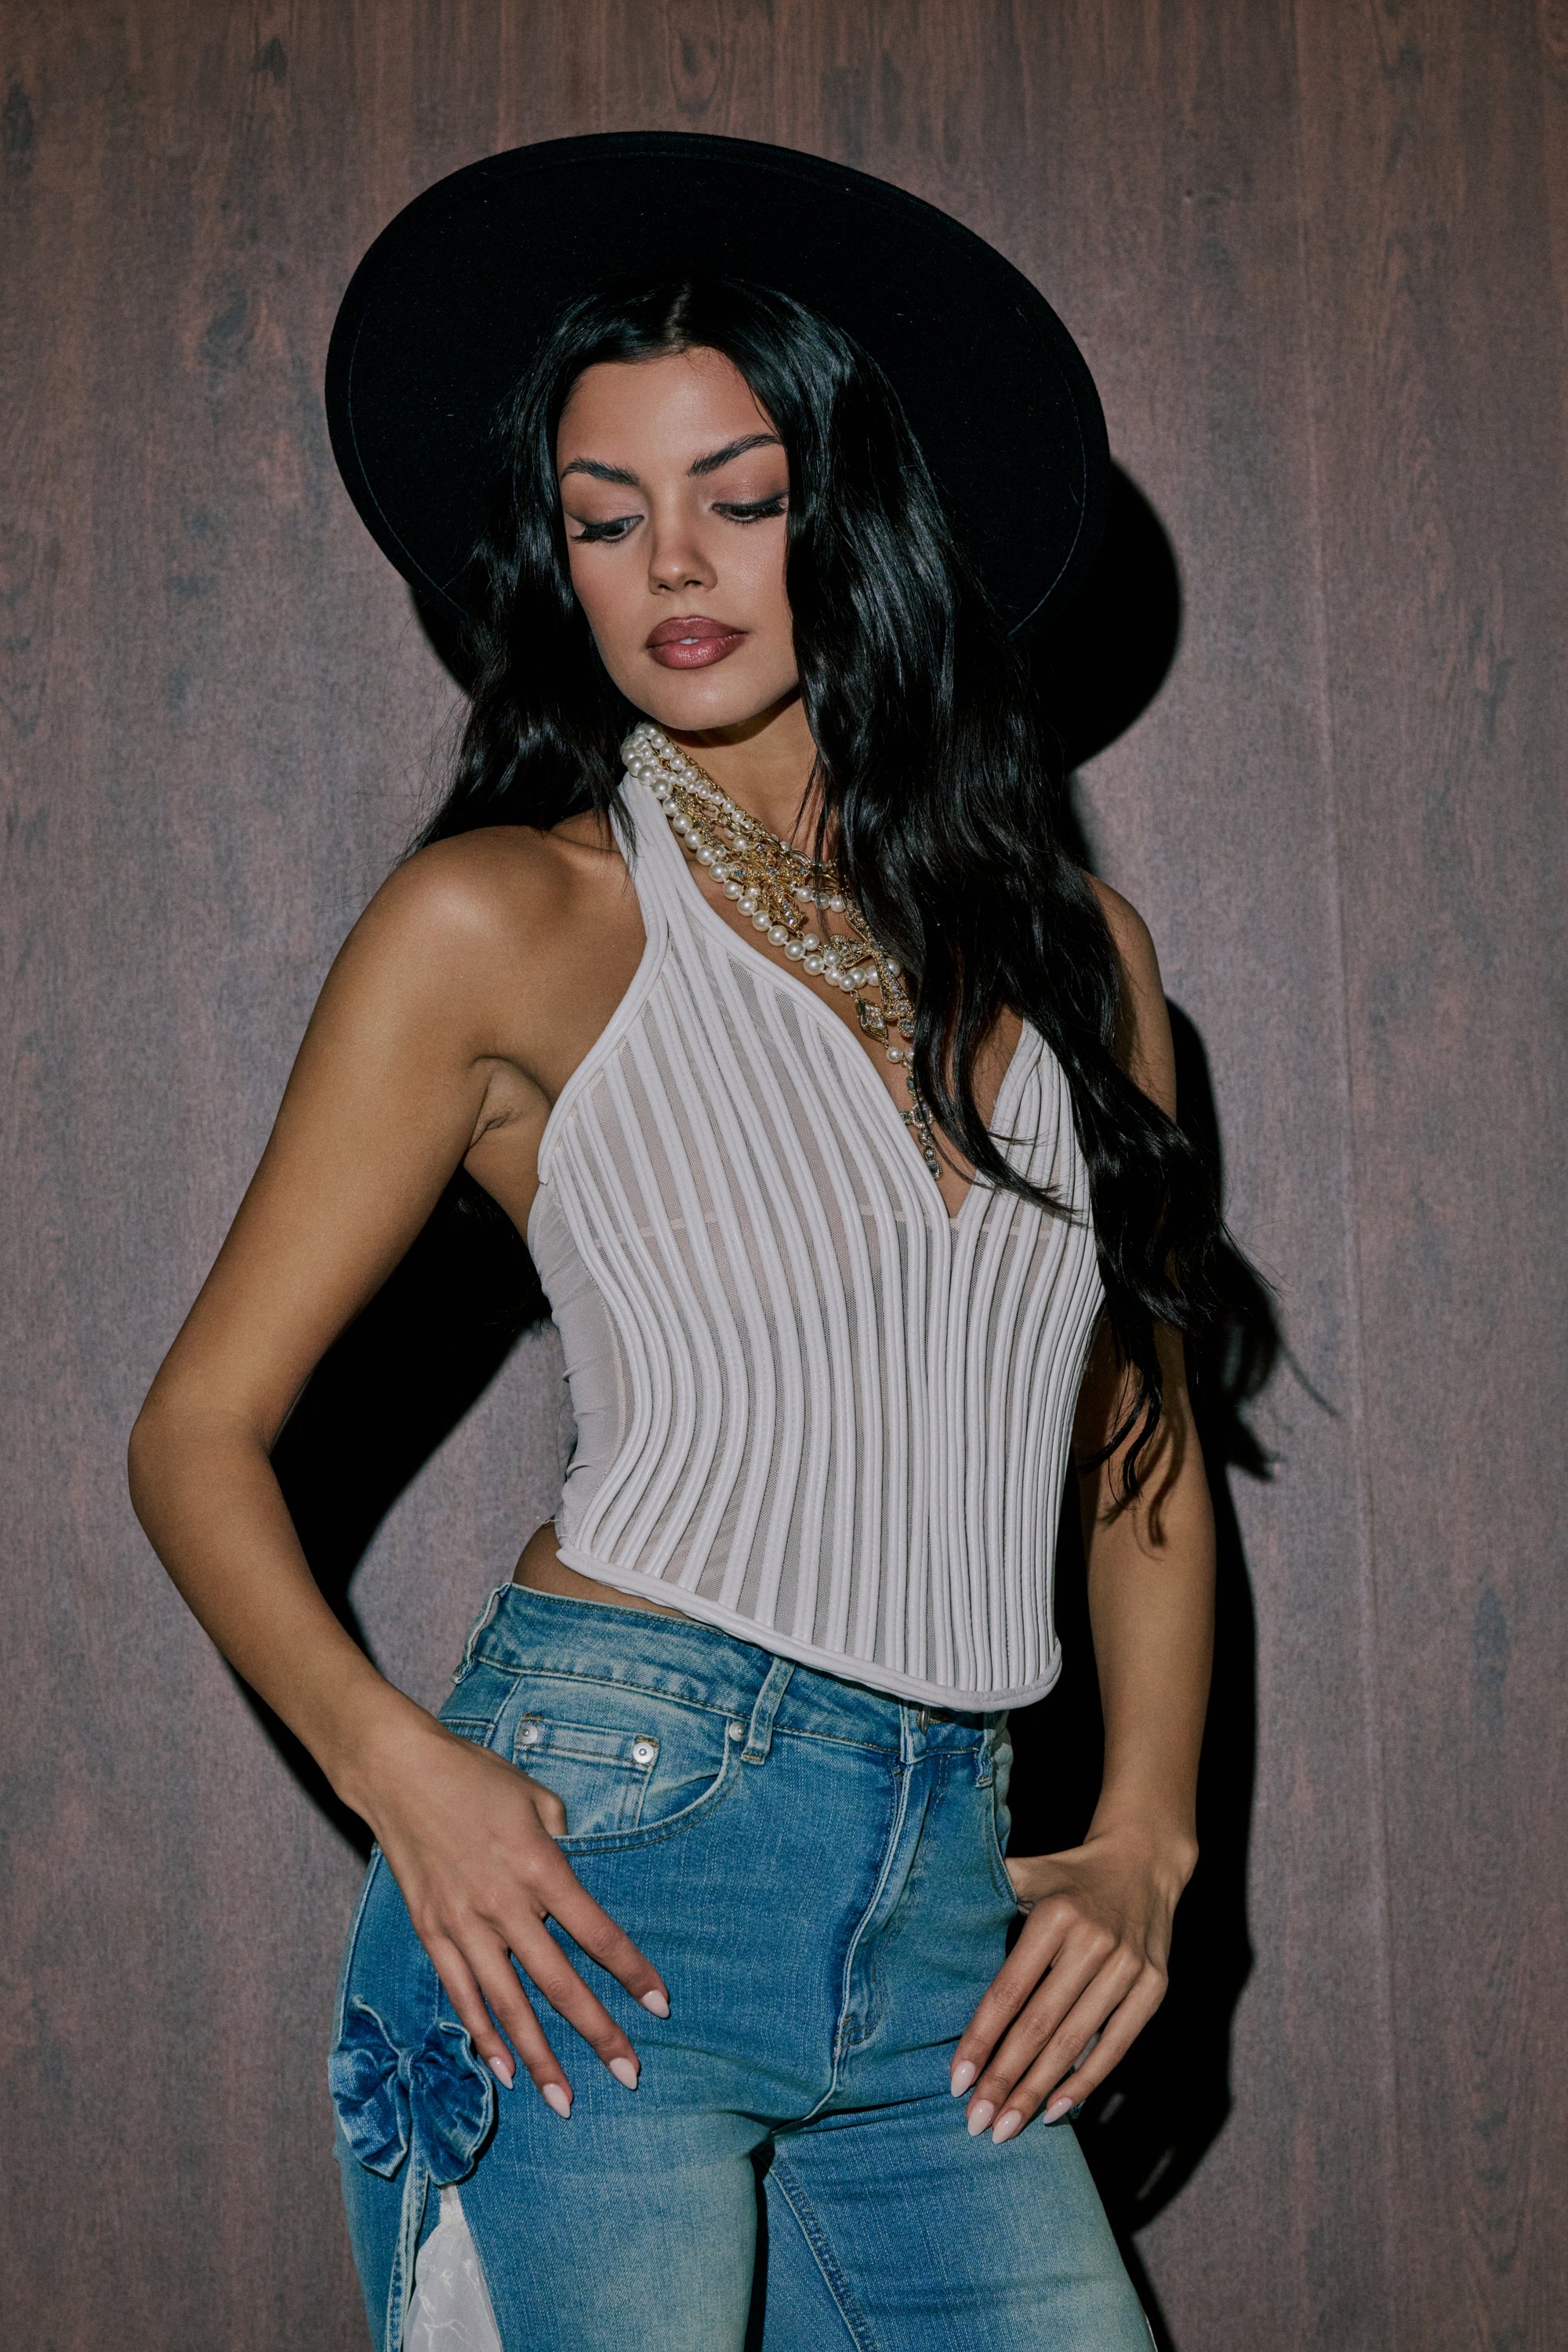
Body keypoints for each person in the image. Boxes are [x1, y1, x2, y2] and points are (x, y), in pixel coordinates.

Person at [129, 136, 1216, 2352]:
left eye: (743, 493)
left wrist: (1150, 1835)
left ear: (862, 515)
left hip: (947, 1904)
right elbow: (197, 1435)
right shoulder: (506, 923)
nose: (673, 565)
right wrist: (398, 1770)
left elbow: (1143, 1450)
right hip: (609, 1854)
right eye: (606, 516)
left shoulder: (1086, 960)